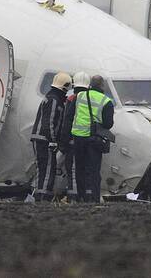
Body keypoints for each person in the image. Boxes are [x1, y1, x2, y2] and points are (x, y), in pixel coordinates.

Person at [70, 75, 115, 203]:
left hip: (78, 137)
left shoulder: (79, 96)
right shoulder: (106, 101)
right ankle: (93, 198)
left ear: (90, 84)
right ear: (102, 86)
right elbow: (108, 124)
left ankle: (81, 197)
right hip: (94, 139)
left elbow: (69, 115)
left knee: (80, 169)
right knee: (94, 170)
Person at [30, 72, 71, 201]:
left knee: (44, 167)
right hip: (45, 140)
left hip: (41, 139)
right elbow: (50, 122)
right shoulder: (54, 100)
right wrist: (53, 140)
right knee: (47, 168)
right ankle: (42, 196)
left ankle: (41, 194)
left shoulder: (51, 97)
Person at [59, 71, 90, 202]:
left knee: (72, 169)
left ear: (74, 84)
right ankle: (86, 196)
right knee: (86, 170)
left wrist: (63, 142)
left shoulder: (72, 99)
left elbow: (67, 121)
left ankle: (73, 197)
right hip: (89, 141)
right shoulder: (91, 98)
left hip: (73, 140)